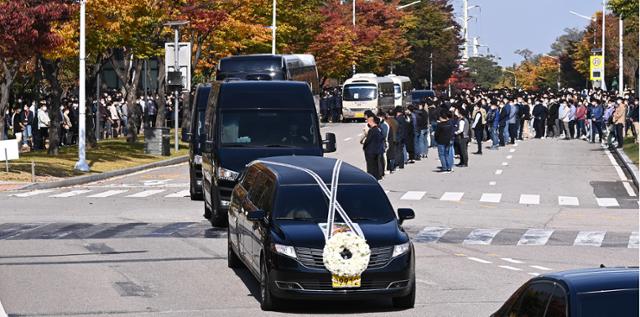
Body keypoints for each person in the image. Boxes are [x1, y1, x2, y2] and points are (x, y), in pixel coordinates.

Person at [362, 115, 384, 180]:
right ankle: (377, 176)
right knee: (376, 165)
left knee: (370, 166)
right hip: (377, 150)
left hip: (370, 151)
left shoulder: (372, 130)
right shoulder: (379, 129)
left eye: (368, 122)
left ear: (371, 122)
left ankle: (371, 177)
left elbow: (368, 140)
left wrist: (364, 146)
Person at [435, 109, 454, 173]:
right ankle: (449, 167)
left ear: (441, 117)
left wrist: (436, 140)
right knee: (447, 154)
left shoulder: (440, 125)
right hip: (448, 141)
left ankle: (444, 167)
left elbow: (436, 134)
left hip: (441, 141)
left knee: (441, 155)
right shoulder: (450, 124)